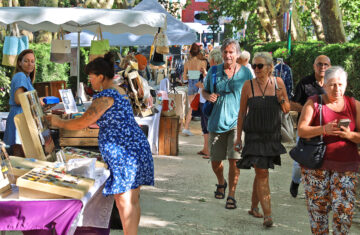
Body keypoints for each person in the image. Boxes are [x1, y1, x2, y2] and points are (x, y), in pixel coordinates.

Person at [50, 52, 154, 235]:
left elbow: (82, 123)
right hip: (135, 148)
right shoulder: (119, 91)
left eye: (91, 77)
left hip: (126, 152)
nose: (90, 81)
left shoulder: (105, 97)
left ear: (100, 76)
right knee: (133, 199)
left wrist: (58, 122)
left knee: (124, 200)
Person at [297, 66, 360, 234]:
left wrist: (350, 135)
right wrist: (323, 129)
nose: (337, 88)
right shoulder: (314, 102)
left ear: (346, 85)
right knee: (318, 213)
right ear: (324, 85)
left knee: (344, 213)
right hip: (316, 167)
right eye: (332, 84)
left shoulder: (354, 105)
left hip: (346, 167)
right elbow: (301, 130)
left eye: (340, 84)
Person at [235, 52, 290, 227]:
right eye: (254, 66)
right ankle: (268, 215)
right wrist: (238, 137)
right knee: (263, 172)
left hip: (271, 136)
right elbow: (242, 113)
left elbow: (287, 109)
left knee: (261, 172)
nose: (256, 69)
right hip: (254, 136)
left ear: (269, 67)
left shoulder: (278, 83)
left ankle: (253, 206)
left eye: (260, 66)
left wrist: (281, 98)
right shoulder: (247, 86)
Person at [202, 38, 252, 209]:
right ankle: (221, 182)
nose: (228, 55)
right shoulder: (214, 71)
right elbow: (205, 90)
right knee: (216, 161)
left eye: (231, 52)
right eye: (225, 52)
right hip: (216, 122)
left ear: (237, 54)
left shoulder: (245, 73)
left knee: (234, 160)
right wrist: (208, 96)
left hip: (237, 124)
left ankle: (231, 194)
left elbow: (251, 95)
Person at [289, 55, 331, 198]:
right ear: (314, 66)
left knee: (324, 161)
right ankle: (295, 181)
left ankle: (318, 192)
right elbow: (292, 104)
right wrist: (309, 110)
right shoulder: (305, 83)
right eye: (320, 64)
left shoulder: (332, 83)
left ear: (330, 67)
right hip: (306, 128)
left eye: (326, 64)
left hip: (326, 130)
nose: (322, 67)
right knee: (298, 163)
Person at [4, 49, 36, 157]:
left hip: (22, 116)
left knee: (21, 155)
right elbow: (18, 100)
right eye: (26, 61)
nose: (30, 64)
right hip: (19, 117)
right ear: (19, 62)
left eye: (32, 61)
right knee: (18, 156)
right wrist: (37, 101)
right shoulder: (20, 76)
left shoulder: (26, 77)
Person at [197, 47, 222, 159]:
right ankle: (210, 150)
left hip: (212, 104)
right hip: (211, 102)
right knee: (207, 126)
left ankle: (212, 151)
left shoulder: (215, 72)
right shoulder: (215, 71)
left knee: (209, 126)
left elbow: (206, 88)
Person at [182, 43, 207, 136]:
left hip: (191, 84)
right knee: (201, 107)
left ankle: (186, 127)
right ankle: (203, 129)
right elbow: (204, 75)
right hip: (199, 84)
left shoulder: (187, 63)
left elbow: (184, 78)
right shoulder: (202, 62)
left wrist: (191, 76)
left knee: (192, 107)